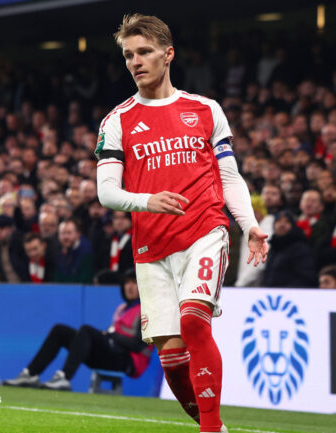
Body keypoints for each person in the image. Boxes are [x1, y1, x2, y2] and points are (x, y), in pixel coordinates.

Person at [95, 15, 268, 433]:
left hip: (204, 232)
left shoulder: (205, 110)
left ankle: (209, 430)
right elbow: (106, 192)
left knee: (194, 321)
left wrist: (250, 224)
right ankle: (217, 427)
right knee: (172, 359)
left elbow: (228, 176)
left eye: (144, 52)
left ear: (167, 54)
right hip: (152, 248)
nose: (136, 62)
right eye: (128, 55)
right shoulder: (117, 120)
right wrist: (147, 200)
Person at [3, 273, 152, 390]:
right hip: (112, 353)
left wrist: (111, 335)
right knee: (60, 331)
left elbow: (139, 345)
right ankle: (31, 374)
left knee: (86, 330)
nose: (129, 286)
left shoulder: (147, 310)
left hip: (129, 362)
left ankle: (64, 378)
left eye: (134, 282)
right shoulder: (122, 309)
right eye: (127, 282)